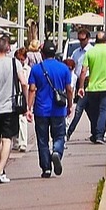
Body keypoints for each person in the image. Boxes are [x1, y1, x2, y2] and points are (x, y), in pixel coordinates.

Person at [0, 35, 28, 183]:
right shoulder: (15, 63)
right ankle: (0, 171)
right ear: (8, 48)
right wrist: (26, 102)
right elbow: (24, 83)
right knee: (7, 139)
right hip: (10, 107)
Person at [29, 38, 74, 178]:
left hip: (41, 109)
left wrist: (28, 108)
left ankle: (46, 168)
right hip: (58, 109)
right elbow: (69, 89)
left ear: (42, 53)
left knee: (42, 139)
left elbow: (32, 89)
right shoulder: (64, 68)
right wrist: (70, 105)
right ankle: (57, 151)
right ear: (55, 54)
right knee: (59, 135)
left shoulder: (36, 69)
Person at [76, 30, 106, 144]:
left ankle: (95, 134)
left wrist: (81, 87)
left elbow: (83, 71)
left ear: (95, 41)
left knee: (94, 112)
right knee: (103, 111)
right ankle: (99, 135)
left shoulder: (90, 52)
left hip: (92, 87)